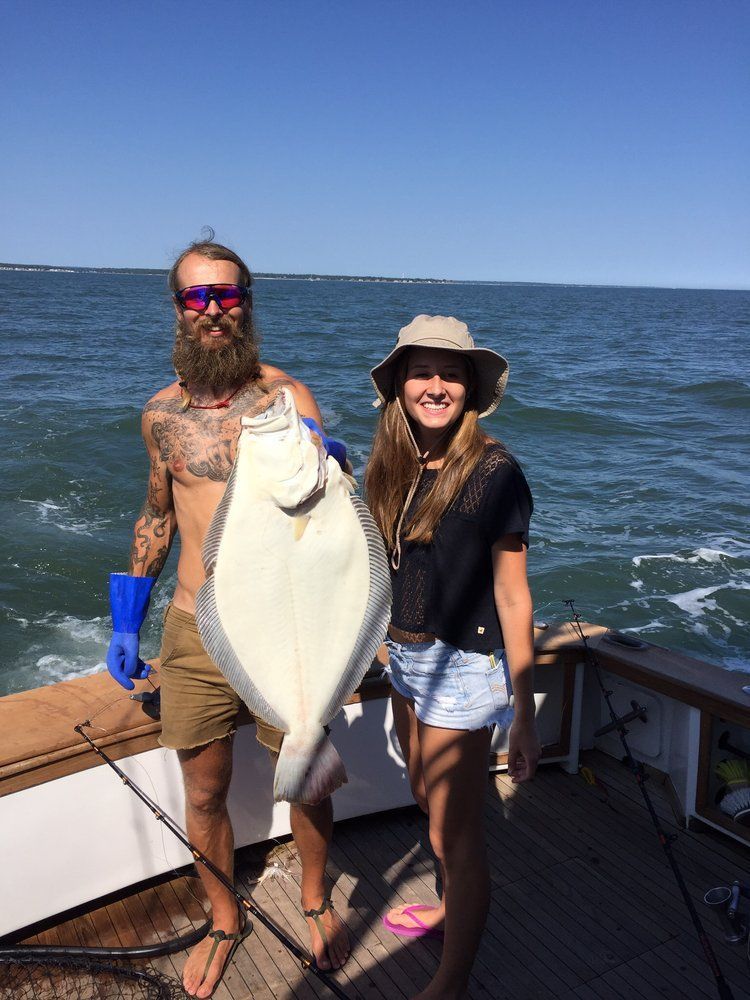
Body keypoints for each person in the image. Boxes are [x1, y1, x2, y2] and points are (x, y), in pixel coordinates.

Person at [105, 238, 349, 999]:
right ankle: (223, 916)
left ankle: (313, 896)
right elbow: (157, 515)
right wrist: (125, 618)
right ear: (177, 309)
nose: (213, 310)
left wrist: (328, 453)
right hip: (190, 629)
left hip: (283, 627)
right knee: (204, 792)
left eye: (227, 294)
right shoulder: (159, 414)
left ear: (247, 300)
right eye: (196, 297)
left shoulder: (285, 399)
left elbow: (329, 511)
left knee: (306, 776)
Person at [364, 315, 541, 1000]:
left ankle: (454, 978)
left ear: (470, 388)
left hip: (463, 669)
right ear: (400, 385)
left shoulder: (495, 473)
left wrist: (523, 712)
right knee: (421, 795)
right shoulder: (397, 465)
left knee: (454, 833)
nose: (435, 385)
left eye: (450, 373)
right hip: (405, 660)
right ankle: (447, 911)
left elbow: (514, 597)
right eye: (422, 371)